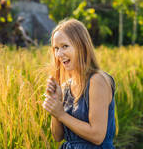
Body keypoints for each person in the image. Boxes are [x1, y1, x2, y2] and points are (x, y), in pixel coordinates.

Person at [42, 18, 116, 149]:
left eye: (65, 46)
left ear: (81, 46)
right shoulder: (66, 86)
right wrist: (56, 103)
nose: (59, 54)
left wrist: (61, 114)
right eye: (56, 48)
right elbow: (57, 137)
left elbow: (97, 136)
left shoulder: (97, 80)